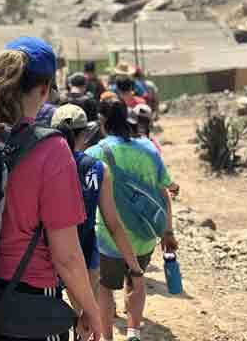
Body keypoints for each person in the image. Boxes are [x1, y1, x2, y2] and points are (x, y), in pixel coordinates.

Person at [0, 37, 101, 341]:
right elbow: (67, 255)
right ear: (44, 90)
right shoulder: (52, 150)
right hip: (27, 303)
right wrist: (90, 309)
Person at [85, 99, 178, 341]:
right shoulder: (148, 149)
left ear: (103, 121)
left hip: (108, 240)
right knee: (136, 280)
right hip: (144, 237)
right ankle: (133, 332)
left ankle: (107, 337)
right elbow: (165, 190)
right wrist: (168, 231)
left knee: (105, 289)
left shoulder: (95, 153)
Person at [50, 104, 143, 302]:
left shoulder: (44, 164)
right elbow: (114, 225)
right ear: (85, 134)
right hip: (85, 253)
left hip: (50, 256)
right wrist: (135, 268)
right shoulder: (98, 169)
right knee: (86, 321)